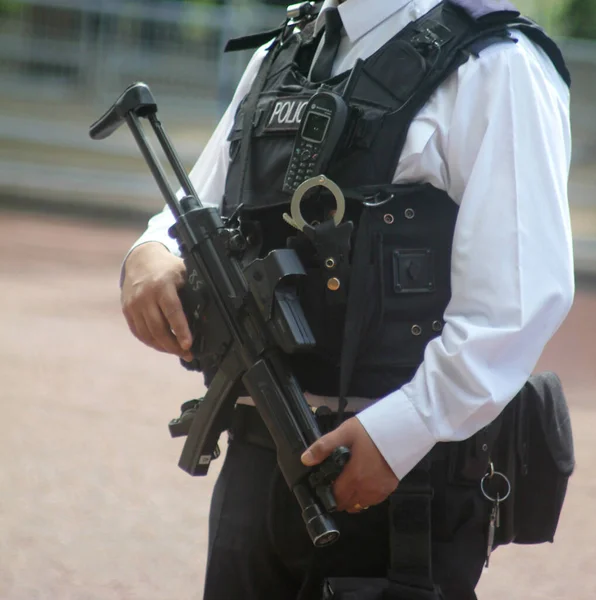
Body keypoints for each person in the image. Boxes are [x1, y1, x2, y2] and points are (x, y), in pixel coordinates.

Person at [119, 0, 574, 598]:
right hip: (258, 458)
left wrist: (402, 432)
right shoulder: (285, 51)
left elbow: (521, 297)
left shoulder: (498, 65)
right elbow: (197, 210)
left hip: (401, 478)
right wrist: (149, 253)